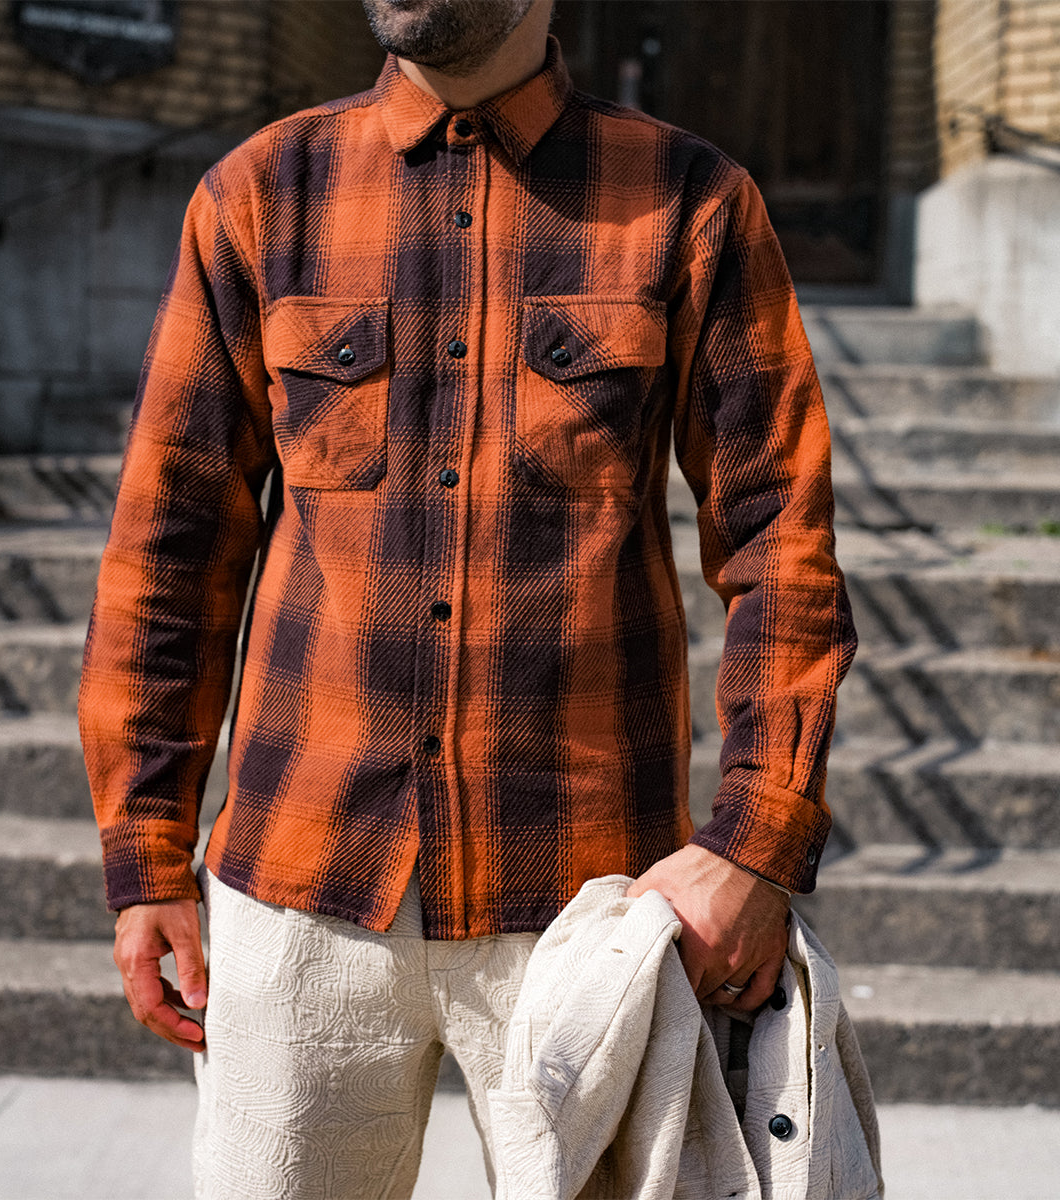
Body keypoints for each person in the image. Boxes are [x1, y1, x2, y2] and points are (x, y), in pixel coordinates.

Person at [78, 1, 857, 1195]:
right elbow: (170, 550)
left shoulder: (691, 202)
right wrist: (146, 849)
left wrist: (756, 843)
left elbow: (780, 541)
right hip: (301, 893)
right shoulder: (258, 195)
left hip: (586, 908)